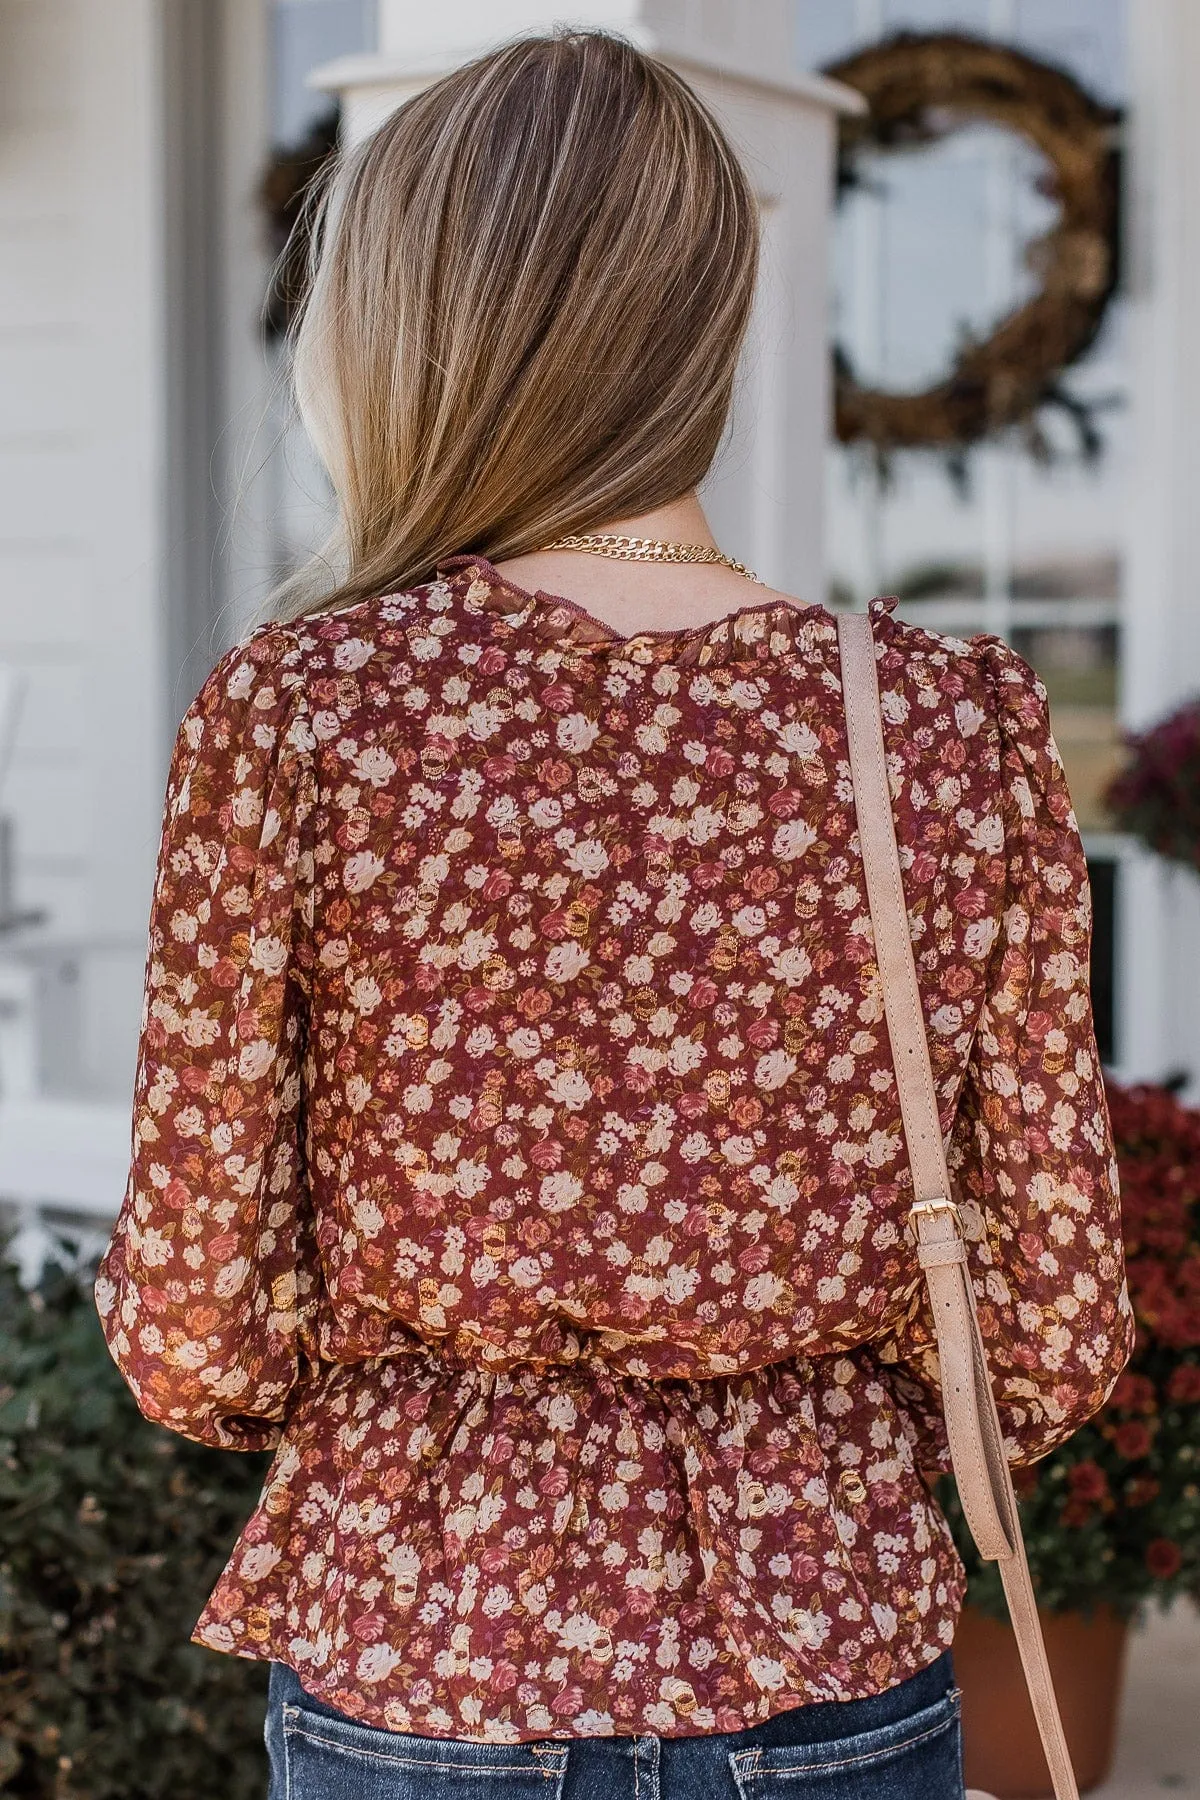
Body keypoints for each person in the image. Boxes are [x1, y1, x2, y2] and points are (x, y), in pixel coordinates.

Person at [95, 28, 1134, 1800]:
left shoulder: (303, 713)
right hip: (828, 1642)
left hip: (425, 1623)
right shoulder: (942, 724)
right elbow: (1050, 1324)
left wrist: (425, 1414)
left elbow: (198, 1321)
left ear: (408, 325)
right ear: (713, 321)